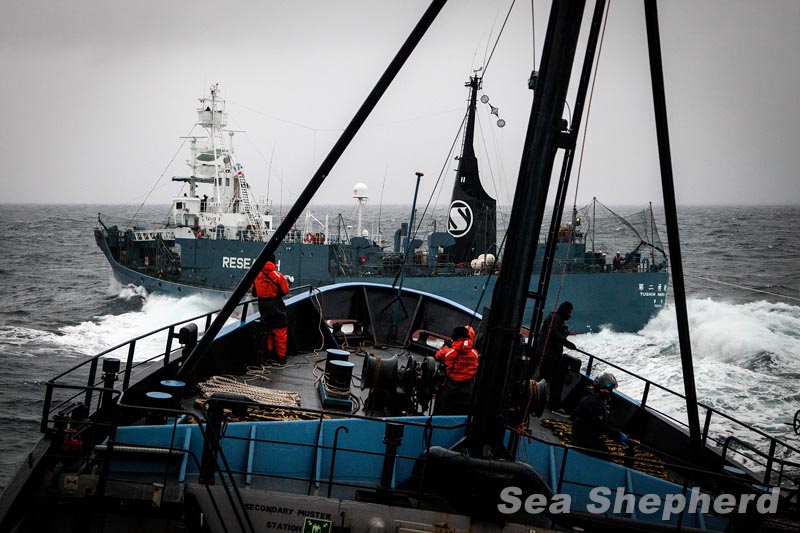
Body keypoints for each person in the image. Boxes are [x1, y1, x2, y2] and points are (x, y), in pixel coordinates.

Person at [536, 301, 580, 412]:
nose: (570, 315)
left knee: (548, 379)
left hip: (553, 356)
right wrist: (567, 343)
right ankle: (552, 405)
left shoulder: (559, 322)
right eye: (569, 313)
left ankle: (541, 401)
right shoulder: (553, 319)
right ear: (564, 311)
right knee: (553, 381)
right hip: (546, 355)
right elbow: (553, 333)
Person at [571, 373, 628, 457]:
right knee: (607, 457)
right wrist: (618, 436)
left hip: (589, 435)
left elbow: (605, 422)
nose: (608, 392)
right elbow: (601, 426)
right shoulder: (593, 403)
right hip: (584, 439)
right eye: (606, 389)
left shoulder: (595, 400)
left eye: (609, 390)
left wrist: (617, 432)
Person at [252, 255, 290, 366]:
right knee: (280, 332)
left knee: (267, 330)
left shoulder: (257, 276)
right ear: (274, 263)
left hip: (263, 307)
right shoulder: (278, 275)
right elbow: (285, 291)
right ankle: (280, 358)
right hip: (276, 307)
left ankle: (268, 355)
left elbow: (254, 293)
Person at [433, 325, 479, 415]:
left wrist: (446, 346)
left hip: (451, 388)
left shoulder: (448, 352)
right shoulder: (475, 353)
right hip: (468, 389)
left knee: (445, 411)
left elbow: (437, 356)